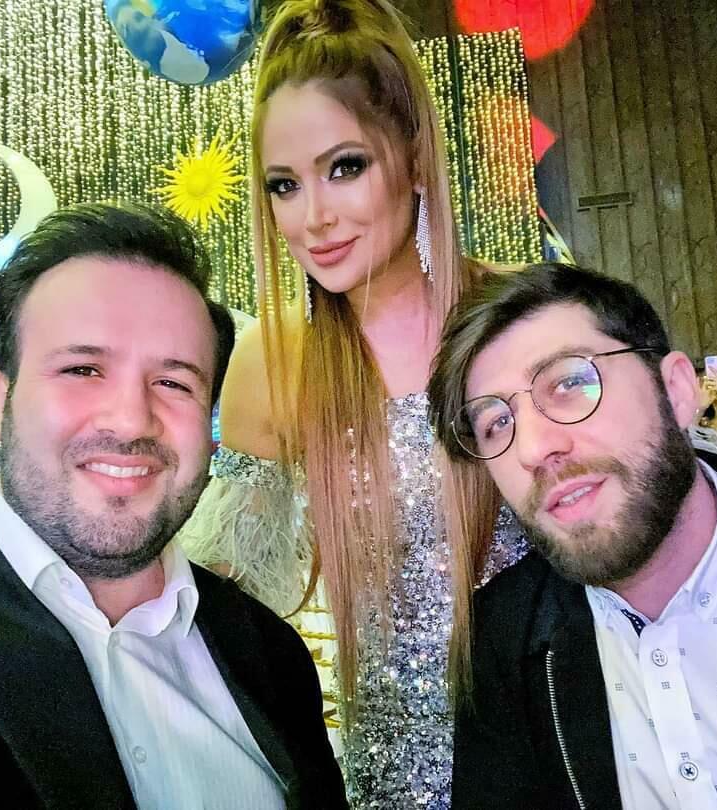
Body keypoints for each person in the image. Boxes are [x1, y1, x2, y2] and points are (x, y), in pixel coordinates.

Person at [0, 202, 345, 809]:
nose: (131, 419)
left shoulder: (274, 657)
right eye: (83, 368)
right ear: (2, 399)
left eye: (174, 382)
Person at [177, 1, 527, 806]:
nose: (315, 218)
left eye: (344, 167)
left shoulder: (529, 318)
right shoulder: (274, 362)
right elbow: (219, 604)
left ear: (414, 157)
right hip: (381, 785)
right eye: (284, 185)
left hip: (558, 762)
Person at [427, 264, 717, 809]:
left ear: (675, 391)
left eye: (570, 383)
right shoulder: (503, 639)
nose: (532, 449)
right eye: (496, 424)